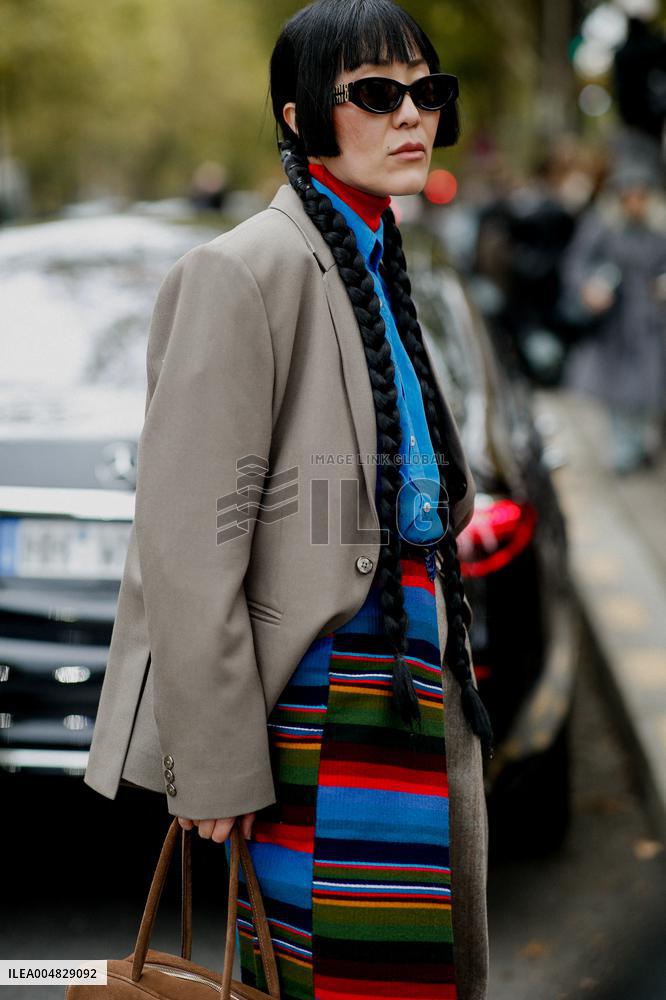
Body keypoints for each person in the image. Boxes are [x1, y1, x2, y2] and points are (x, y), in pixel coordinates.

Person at [84, 2, 493, 998]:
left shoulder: (380, 255)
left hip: (411, 672)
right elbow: (188, 544)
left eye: (427, 91)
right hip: (317, 697)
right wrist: (214, 764)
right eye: (377, 94)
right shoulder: (242, 270)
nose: (412, 115)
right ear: (300, 116)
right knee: (335, 977)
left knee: (419, 971)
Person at [560, 161, 666, 473]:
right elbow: (576, 263)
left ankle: (640, 442)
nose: (634, 203)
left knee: (649, 385)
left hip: (651, 320)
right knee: (618, 389)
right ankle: (624, 446)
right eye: (628, 196)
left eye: (640, 196)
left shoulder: (657, 229)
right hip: (615, 322)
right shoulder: (602, 226)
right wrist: (590, 286)